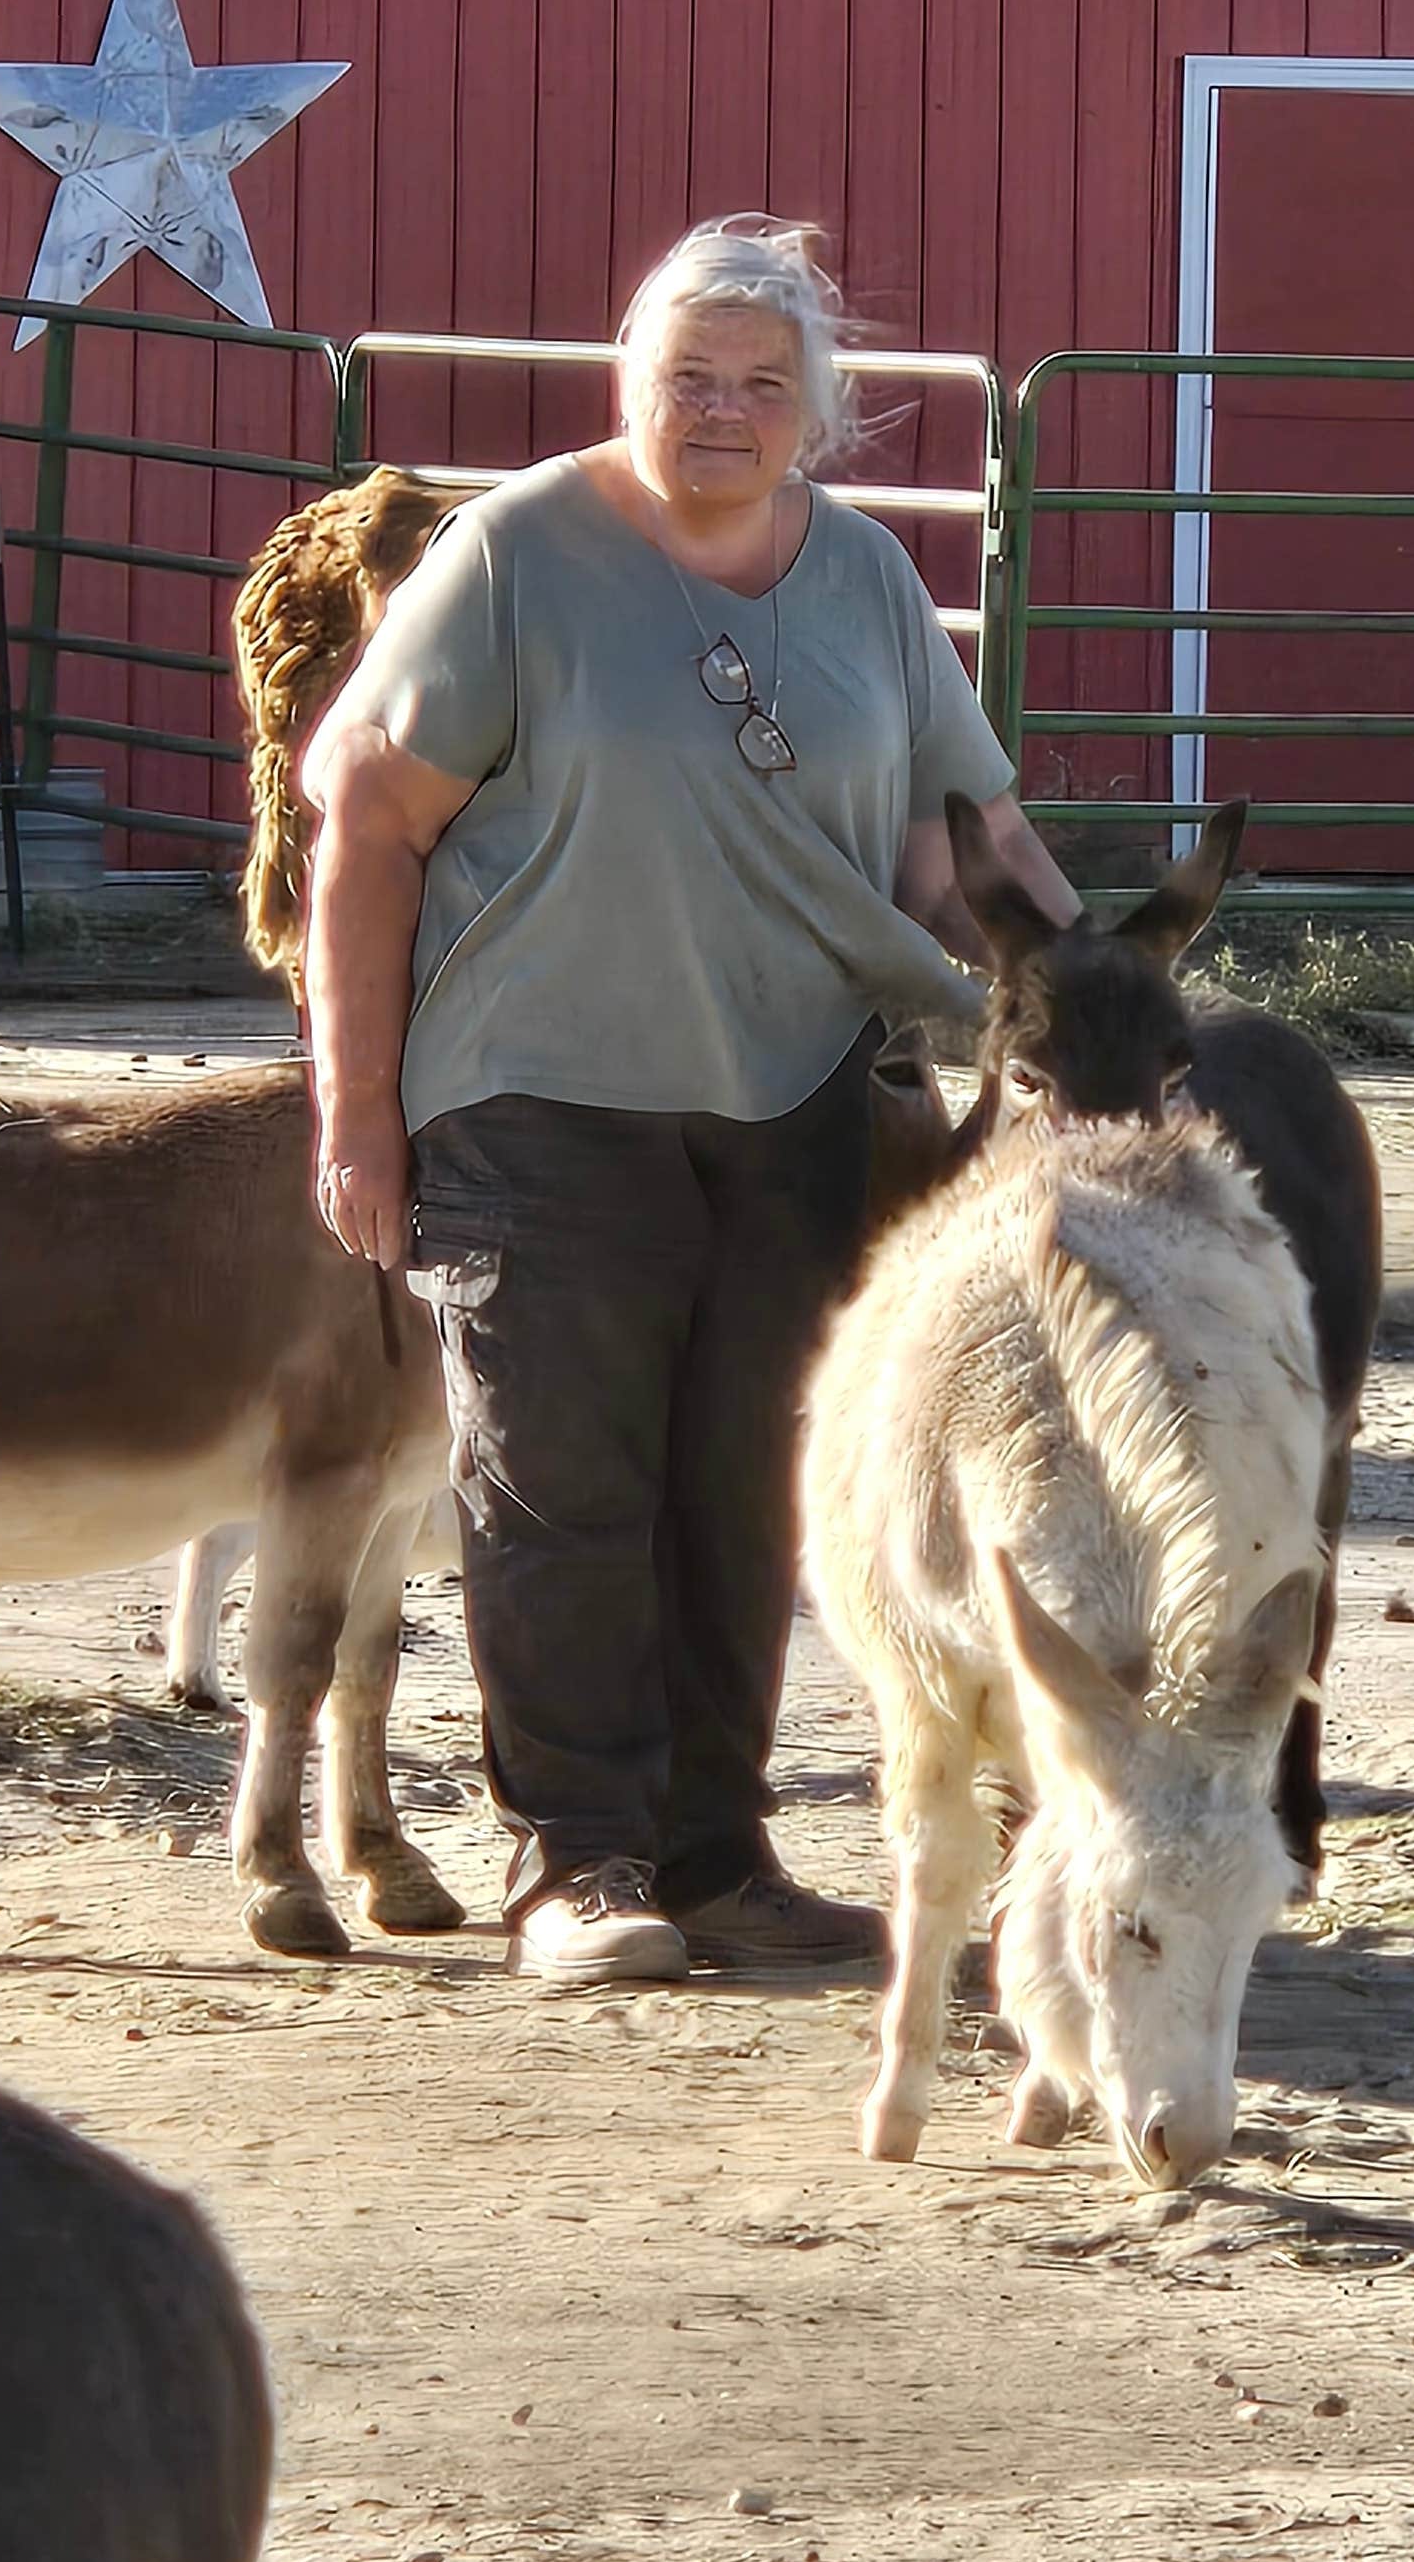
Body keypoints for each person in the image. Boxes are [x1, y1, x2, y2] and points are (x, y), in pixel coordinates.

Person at [301, 220, 1082, 1985]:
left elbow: (967, 841)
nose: (722, 410)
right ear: (626, 379)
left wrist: (1097, 993)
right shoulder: (517, 556)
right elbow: (366, 826)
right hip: (538, 1099)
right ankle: (576, 1866)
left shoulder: (868, 578)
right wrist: (357, 1113)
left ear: (819, 409)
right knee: (562, 1490)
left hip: (796, 1101)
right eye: (688, 376)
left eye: (761, 383)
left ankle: (719, 1858)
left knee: (744, 1490)